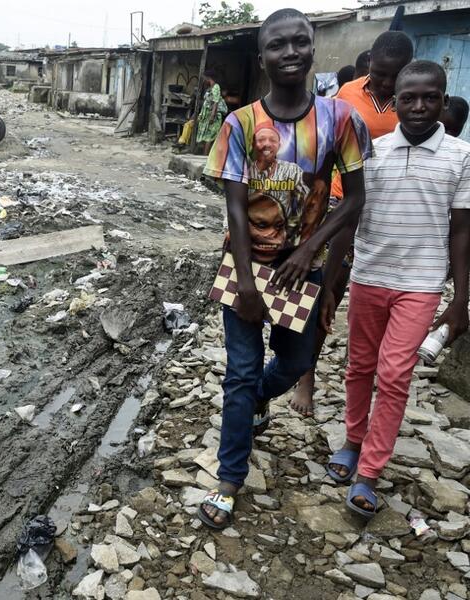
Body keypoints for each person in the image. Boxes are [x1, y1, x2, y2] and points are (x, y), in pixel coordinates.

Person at [199, 8, 371, 530]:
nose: (290, 51)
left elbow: (356, 199)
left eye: (300, 42)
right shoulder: (241, 123)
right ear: (263, 58)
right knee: (240, 372)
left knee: (295, 362)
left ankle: (254, 404)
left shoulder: (341, 119)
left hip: (304, 271)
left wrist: (310, 250)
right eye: (278, 45)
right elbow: (233, 207)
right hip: (246, 266)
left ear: (313, 50)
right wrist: (247, 283)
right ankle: (230, 478)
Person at [323, 60, 470, 518]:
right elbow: (348, 219)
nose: (419, 106)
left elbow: (463, 231)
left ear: (444, 102)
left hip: (421, 285)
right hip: (369, 275)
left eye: (430, 98)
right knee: (360, 366)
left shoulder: (461, 157)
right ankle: (352, 441)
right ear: (396, 101)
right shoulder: (372, 151)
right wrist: (331, 284)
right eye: (409, 98)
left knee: (394, 375)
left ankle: (369, 470)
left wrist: (460, 299)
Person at [290, 31, 414, 417]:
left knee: (354, 295)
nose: (382, 84)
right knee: (325, 286)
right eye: (376, 74)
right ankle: (304, 374)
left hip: (386, 211)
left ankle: (372, 378)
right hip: (342, 205)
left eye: (391, 77)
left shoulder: (413, 103)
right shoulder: (347, 94)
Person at [196, 71, 228, 156]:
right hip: (207, 115)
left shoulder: (216, 87)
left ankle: (205, 156)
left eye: (204, 79)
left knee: (209, 137)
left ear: (208, 78)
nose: (203, 81)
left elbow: (216, 102)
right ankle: (205, 155)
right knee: (206, 136)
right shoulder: (210, 88)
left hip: (213, 116)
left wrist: (212, 116)